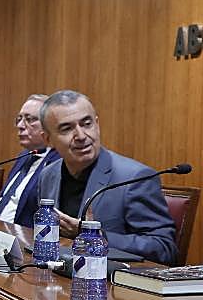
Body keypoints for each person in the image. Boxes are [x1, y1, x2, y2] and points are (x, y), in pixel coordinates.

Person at [37, 90, 176, 263]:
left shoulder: (135, 177)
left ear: (97, 124)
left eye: (87, 124)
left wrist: (94, 236)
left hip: (111, 277)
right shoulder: (48, 175)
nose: (81, 136)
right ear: (48, 139)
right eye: (67, 129)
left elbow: (163, 248)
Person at [0, 93, 61, 226]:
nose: (20, 125)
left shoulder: (59, 162)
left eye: (29, 119)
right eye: (19, 119)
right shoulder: (24, 156)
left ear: (49, 125)